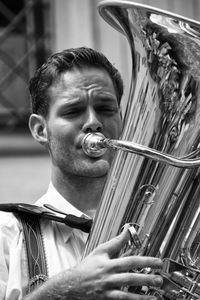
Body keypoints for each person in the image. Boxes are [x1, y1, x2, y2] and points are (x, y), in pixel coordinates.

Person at [0, 47, 163, 300]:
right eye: (73, 111)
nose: (93, 122)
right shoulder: (6, 235)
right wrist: (64, 292)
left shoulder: (162, 230)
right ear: (40, 130)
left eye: (106, 108)